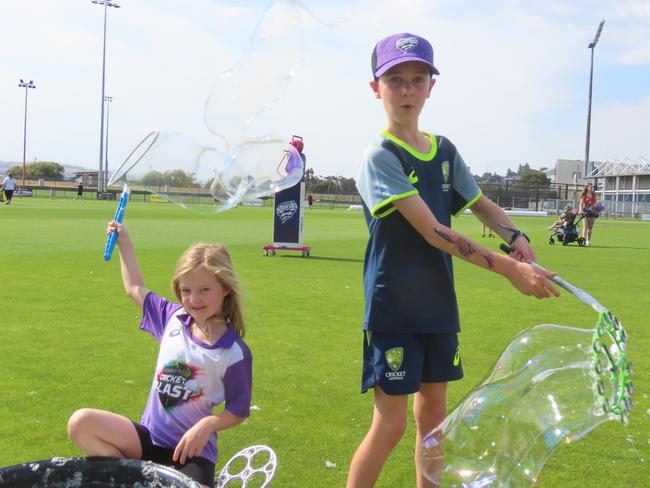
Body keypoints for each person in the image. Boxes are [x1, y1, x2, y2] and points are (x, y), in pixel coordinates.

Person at [347, 33, 559, 488]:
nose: (406, 90)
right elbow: (433, 230)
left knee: (435, 418)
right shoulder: (380, 156)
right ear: (375, 88)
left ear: (430, 87)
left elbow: (480, 204)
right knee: (391, 424)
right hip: (394, 306)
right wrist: (509, 269)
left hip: (438, 304)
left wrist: (515, 237)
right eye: (395, 80)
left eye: (417, 79)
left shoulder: (443, 150)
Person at [68, 223, 252, 487]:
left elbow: (238, 409)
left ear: (226, 288)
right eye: (186, 290)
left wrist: (208, 425)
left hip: (191, 453)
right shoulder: (173, 318)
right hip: (147, 440)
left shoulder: (233, 352)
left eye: (204, 290)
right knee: (81, 424)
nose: (194, 299)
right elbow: (134, 287)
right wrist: (124, 242)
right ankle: (133, 478)